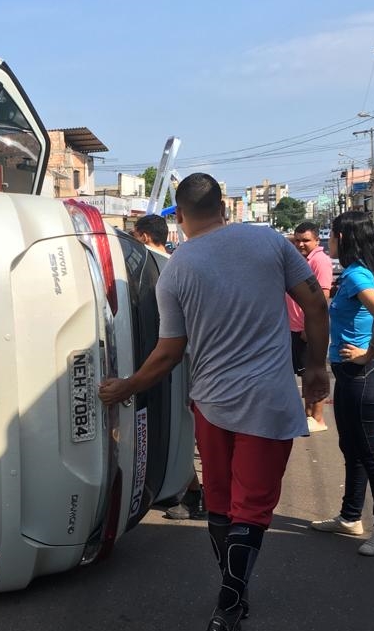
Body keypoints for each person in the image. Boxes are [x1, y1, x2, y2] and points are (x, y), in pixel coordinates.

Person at [98, 173, 329, 631]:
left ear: (179, 216)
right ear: (224, 207)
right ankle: (229, 603)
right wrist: (317, 368)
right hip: (268, 401)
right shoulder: (270, 244)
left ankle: (231, 598)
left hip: (212, 404)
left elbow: (168, 353)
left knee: (222, 506)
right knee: (252, 510)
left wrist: (126, 386)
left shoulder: (177, 270)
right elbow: (316, 306)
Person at [310, 210, 374, 556]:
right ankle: (350, 516)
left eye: (333, 235)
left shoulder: (357, 275)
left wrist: (371, 351)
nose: (329, 241)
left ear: (345, 237)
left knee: (371, 455)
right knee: (352, 449)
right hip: (349, 375)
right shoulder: (361, 273)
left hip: (362, 376)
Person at [134, 214, 207, 520]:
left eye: (136, 236)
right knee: (181, 428)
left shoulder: (152, 268)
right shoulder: (175, 265)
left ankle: (195, 495)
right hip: (185, 363)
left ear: (146, 237)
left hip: (170, 365)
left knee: (178, 428)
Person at [285, 221, 333, 433]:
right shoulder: (301, 258)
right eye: (298, 240)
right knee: (304, 373)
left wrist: (309, 326)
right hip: (294, 327)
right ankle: (308, 415)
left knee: (313, 371)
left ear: (317, 240)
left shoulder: (319, 260)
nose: (301, 244)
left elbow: (323, 295)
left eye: (306, 240)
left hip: (307, 327)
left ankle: (318, 417)